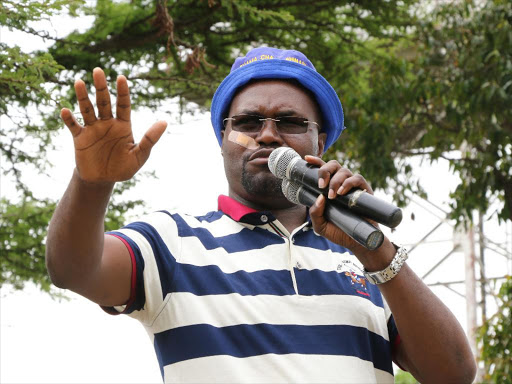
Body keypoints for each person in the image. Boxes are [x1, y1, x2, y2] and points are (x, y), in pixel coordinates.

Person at [46, 47, 476, 383]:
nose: (267, 135)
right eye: (249, 122)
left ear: (319, 142)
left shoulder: (368, 261)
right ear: (223, 140)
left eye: (289, 122)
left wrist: (377, 250)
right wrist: (92, 183)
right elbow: (72, 269)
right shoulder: (172, 241)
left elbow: (453, 374)